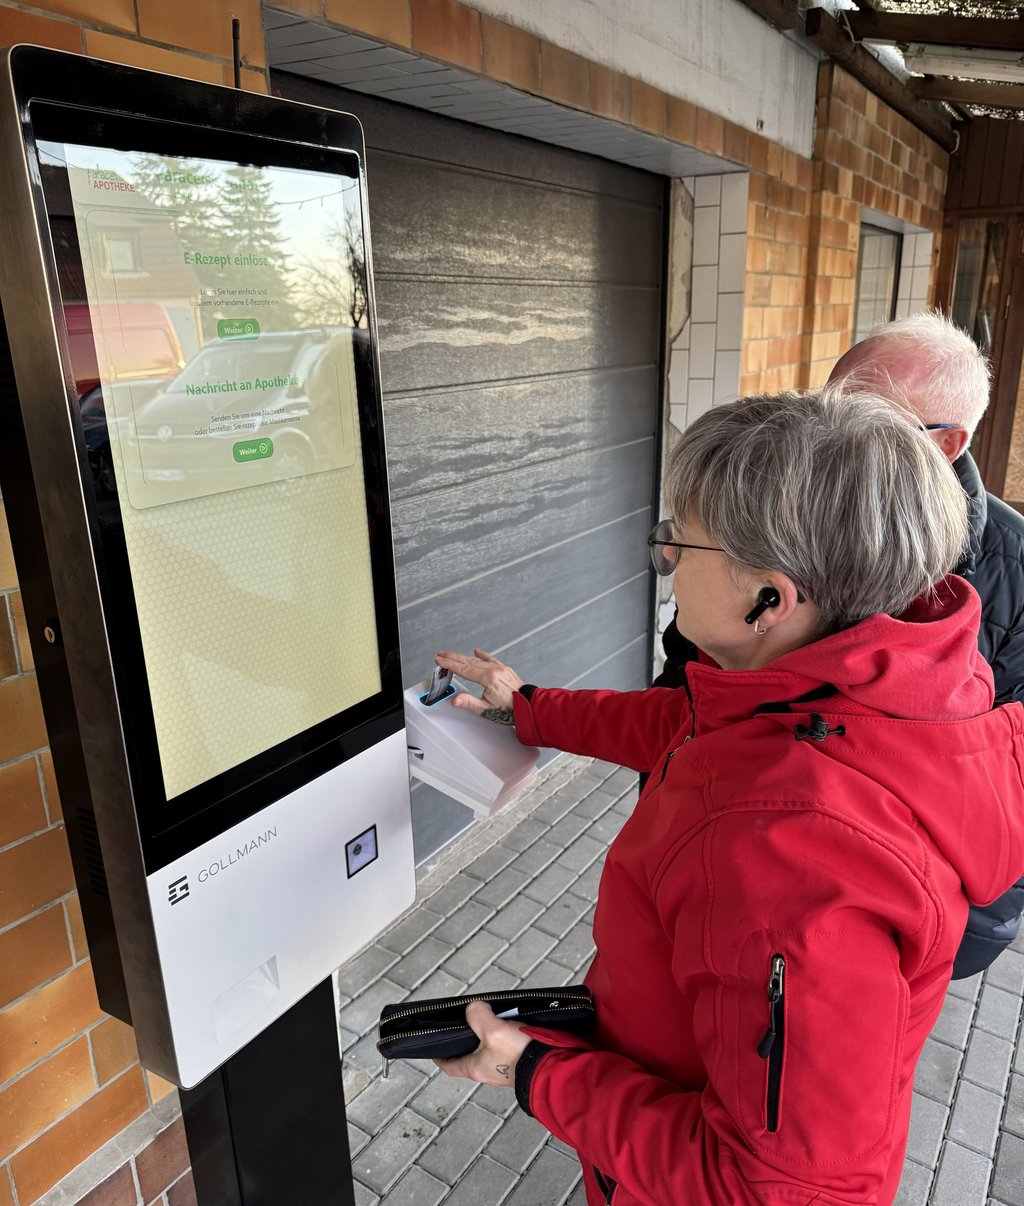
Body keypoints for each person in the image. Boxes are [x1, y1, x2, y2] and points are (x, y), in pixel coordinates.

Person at [432, 385, 1024, 1205]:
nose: (666, 562)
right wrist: (530, 707)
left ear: (769, 599)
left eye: (679, 541)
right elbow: (682, 725)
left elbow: (787, 1192)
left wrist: (537, 1073)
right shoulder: (849, 693)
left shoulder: (794, 856)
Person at [828, 311, 1024, 976]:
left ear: (947, 443)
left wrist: (949, 936)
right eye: (824, 404)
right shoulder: (784, 516)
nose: (825, 433)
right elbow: (692, 678)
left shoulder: (1016, 574)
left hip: (905, 925)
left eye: (864, 418)